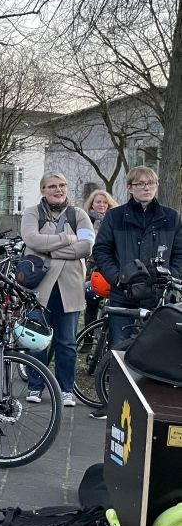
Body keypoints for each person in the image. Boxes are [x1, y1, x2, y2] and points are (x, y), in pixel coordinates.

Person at [92, 167, 182, 416]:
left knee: (159, 353)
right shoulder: (115, 216)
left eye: (150, 183)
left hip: (160, 297)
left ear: (157, 185)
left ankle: (154, 406)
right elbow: (101, 251)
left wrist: (171, 278)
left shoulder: (172, 217)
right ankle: (116, 405)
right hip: (125, 294)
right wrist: (118, 277)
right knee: (120, 350)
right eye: (140, 183)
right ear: (130, 187)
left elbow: (179, 254)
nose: (146, 187)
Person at [20, 172, 94, 409]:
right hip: (39, 287)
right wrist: (65, 238)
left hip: (69, 288)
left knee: (67, 342)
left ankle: (65, 389)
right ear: (43, 190)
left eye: (62, 185)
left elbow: (86, 246)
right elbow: (32, 239)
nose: (58, 190)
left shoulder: (79, 214)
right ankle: (35, 385)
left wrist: (50, 251)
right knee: (37, 339)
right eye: (52, 186)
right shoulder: (32, 213)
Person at [81, 189, 119, 328]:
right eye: (98, 202)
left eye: (105, 202)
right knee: (91, 302)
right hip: (92, 267)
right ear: (92, 204)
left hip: (111, 265)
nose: (102, 205)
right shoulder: (85, 220)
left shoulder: (116, 220)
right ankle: (88, 339)